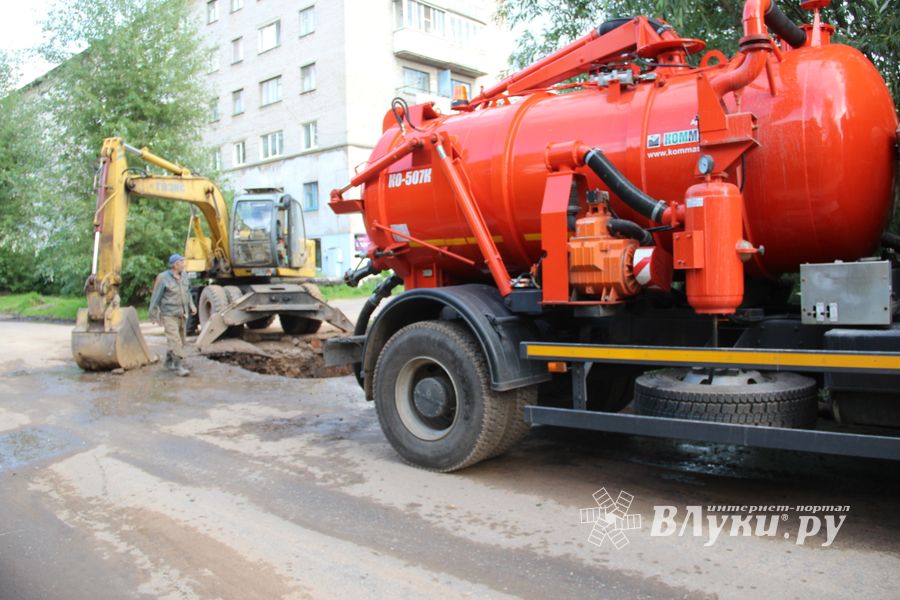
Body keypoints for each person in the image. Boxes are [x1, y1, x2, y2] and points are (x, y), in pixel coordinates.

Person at [148, 254, 197, 376]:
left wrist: (192, 305)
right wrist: (153, 313)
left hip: (182, 314)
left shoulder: (184, 276)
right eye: (181, 262)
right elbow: (156, 296)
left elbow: (188, 292)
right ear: (175, 265)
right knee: (175, 340)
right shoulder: (163, 278)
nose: (184, 264)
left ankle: (169, 362)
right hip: (169, 315)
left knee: (180, 340)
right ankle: (178, 366)